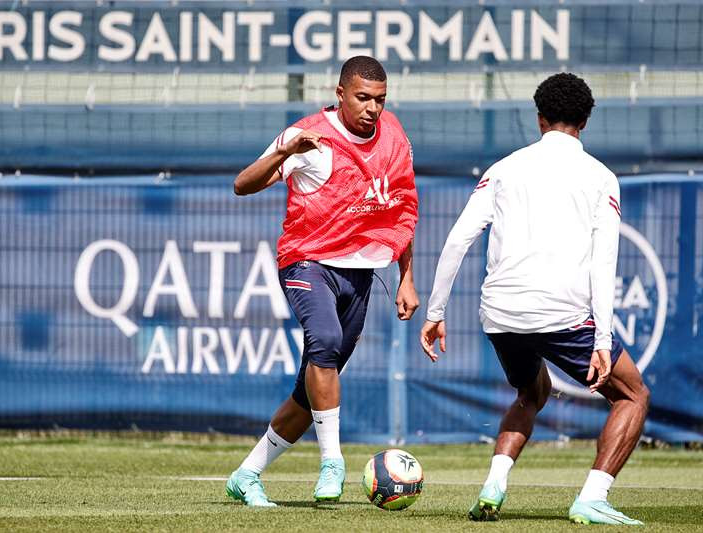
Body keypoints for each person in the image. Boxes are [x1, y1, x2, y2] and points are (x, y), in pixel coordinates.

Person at [420, 73, 650, 525]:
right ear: (585, 121)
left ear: (540, 118)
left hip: (500, 315)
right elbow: (603, 264)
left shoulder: (504, 168)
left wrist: (435, 312)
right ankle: (593, 497)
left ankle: (494, 485)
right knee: (633, 396)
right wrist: (602, 338)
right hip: (561, 315)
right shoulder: (601, 177)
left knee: (532, 391)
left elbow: (457, 239)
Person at [225, 56, 419, 507]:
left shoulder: (393, 135)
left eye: (380, 99)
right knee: (326, 343)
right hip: (307, 262)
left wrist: (407, 276)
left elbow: (401, 209)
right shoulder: (309, 135)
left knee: (309, 388)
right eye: (363, 98)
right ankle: (333, 462)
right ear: (340, 94)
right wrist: (284, 152)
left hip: (361, 272)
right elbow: (242, 184)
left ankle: (247, 474)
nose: (373, 108)